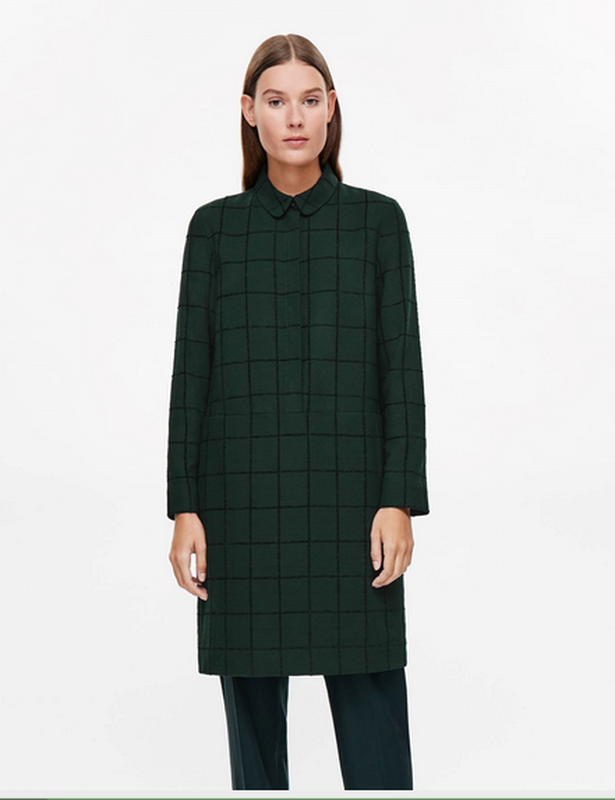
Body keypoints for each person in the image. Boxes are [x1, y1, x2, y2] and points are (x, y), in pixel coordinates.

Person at [166, 33, 430, 791]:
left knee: (377, 740)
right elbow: (191, 376)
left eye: (310, 100)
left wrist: (398, 498)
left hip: (353, 505)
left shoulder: (378, 223)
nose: (294, 118)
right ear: (249, 111)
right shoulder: (213, 229)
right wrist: (185, 507)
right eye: (276, 101)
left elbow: (401, 371)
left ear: (331, 108)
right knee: (254, 752)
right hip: (241, 505)